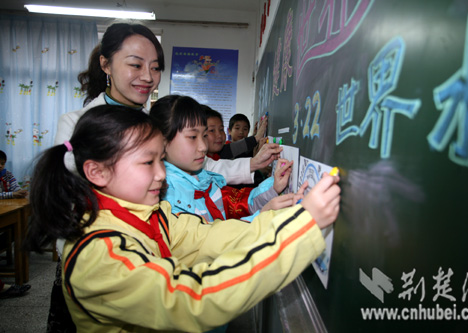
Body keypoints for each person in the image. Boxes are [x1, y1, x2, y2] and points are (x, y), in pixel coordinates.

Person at [26, 105, 341, 332]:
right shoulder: (100, 255)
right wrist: (301, 230)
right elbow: (194, 299)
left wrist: (291, 220)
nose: (162, 174)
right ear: (97, 171)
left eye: (160, 160)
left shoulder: (152, 214)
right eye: (148, 162)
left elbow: (210, 236)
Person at [54, 22, 279, 186]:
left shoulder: (155, 123)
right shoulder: (74, 125)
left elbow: (202, 165)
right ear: (106, 65)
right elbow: (65, 198)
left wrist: (253, 163)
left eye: (155, 68)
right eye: (135, 65)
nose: (147, 77)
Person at [150, 95, 296, 222]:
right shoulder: (165, 200)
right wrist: (262, 216)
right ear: (162, 141)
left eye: (203, 135)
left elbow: (236, 203)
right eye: (193, 137)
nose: (203, 146)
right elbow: (210, 240)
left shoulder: (204, 180)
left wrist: (273, 187)